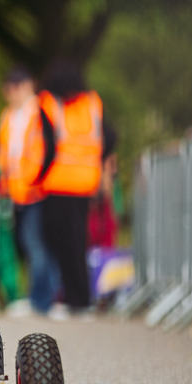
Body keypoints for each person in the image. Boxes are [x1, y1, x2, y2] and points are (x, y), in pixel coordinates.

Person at [31, 59, 117, 316]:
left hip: (58, 185)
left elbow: (48, 148)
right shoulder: (92, 103)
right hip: (85, 184)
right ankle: (78, 299)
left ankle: (75, 301)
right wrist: (96, 162)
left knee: (60, 243)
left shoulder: (50, 103)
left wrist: (37, 178)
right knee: (77, 243)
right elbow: (110, 137)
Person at [0, 65, 59, 317]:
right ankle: (37, 297)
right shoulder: (10, 115)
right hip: (17, 190)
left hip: (37, 189)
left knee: (37, 245)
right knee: (27, 244)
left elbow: (49, 148)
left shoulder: (40, 110)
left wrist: (37, 178)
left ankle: (42, 300)